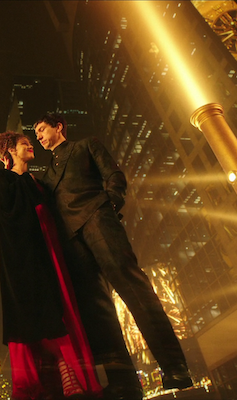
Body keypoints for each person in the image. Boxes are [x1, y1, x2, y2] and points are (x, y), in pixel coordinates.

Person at [34, 113, 193, 399]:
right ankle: (123, 382)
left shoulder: (86, 145)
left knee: (132, 285)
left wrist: (109, 204)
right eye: (36, 134)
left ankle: (174, 366)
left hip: (97, 218)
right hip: (72, 241)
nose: (39, 136)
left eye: (42, 129)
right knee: (97, 311)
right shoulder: (46, 176)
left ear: (59, 127)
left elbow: (114, 175)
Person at [0, 132, 102, 400]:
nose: (31, 145)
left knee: (61, 305)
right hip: (24, 257)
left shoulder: (37, 181)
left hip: (51, 250)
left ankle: (70, 370)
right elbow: (11, 213)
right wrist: (20, 176)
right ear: (9, 151)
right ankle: (54, 373)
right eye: (24, 144)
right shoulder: (3, 178)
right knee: (37, 309)